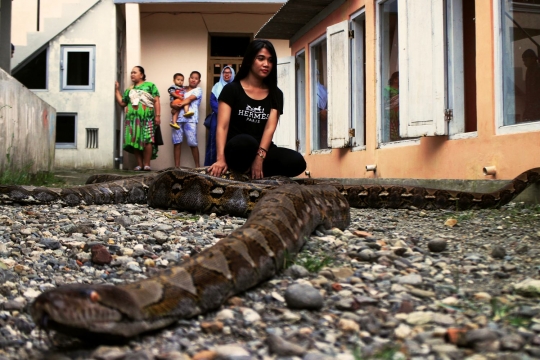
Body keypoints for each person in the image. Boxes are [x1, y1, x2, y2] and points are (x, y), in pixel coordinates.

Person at [208, 39, 306, 179]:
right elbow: (222, 127)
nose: (266, 64)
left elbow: (269, 128)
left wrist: (259, 158)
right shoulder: (231, 89)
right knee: (246, 142)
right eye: (261, 59)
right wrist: (221, 159)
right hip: (237, 148)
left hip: (262, 150)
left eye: (270, 60)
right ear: (249, 60)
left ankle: (253, 170)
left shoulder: (276, 94)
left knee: (297, 161)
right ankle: (243, 167)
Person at [114, 66, 161, 171]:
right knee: (135, 139)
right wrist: (116, 90)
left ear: (142, 75)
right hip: (132, 119)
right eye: (131, 73)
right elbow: (122, 102)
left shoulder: (150, 86)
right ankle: (139, 165)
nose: (132, 74)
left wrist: (158, 115)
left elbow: (156, 101)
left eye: (134, 72)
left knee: (147, 140)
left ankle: (147, 164)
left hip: (147, 118)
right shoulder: (129, 89)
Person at [171, 71, 203, 168]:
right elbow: (172, 101)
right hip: (177, 120)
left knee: (193, 143)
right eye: (192, 77)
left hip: (190, 119)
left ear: (199, 81)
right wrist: (173, 106)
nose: (193, 79)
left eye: (196, 78)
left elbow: (189, 99)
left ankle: (198, 167)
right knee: (176, 142)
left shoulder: (198, 90)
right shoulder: (180, 89)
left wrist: (178, 105)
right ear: (189, 79)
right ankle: (177, 168)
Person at [204, 66, 235, 166]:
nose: (227, 74)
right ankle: (211, 164)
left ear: (232, 74)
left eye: (229, 72)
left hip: (232, 118)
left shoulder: (236, 86)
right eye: (225, 72)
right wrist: (223, 112)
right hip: (217, 117)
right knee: (214, 140)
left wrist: (231, 113)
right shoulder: (217, 86)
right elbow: (212, 101)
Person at [521, 49, 540, 122]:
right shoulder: (529, 71)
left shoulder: (537, 70)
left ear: (533, 58)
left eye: (525, 60)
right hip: (531, 104)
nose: (524, 63)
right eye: (523, 61)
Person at [384, 71, 400, 141]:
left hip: (399, 117)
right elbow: (385, 103)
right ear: (395, 80)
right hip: (390, 117)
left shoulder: (402, 91)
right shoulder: (387, 90)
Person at [316, 69, 328, 148]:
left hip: (324, 115)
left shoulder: (323, 89)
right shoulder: (307, 88)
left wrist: (325, 111)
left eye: (317, 74)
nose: (316, 76)